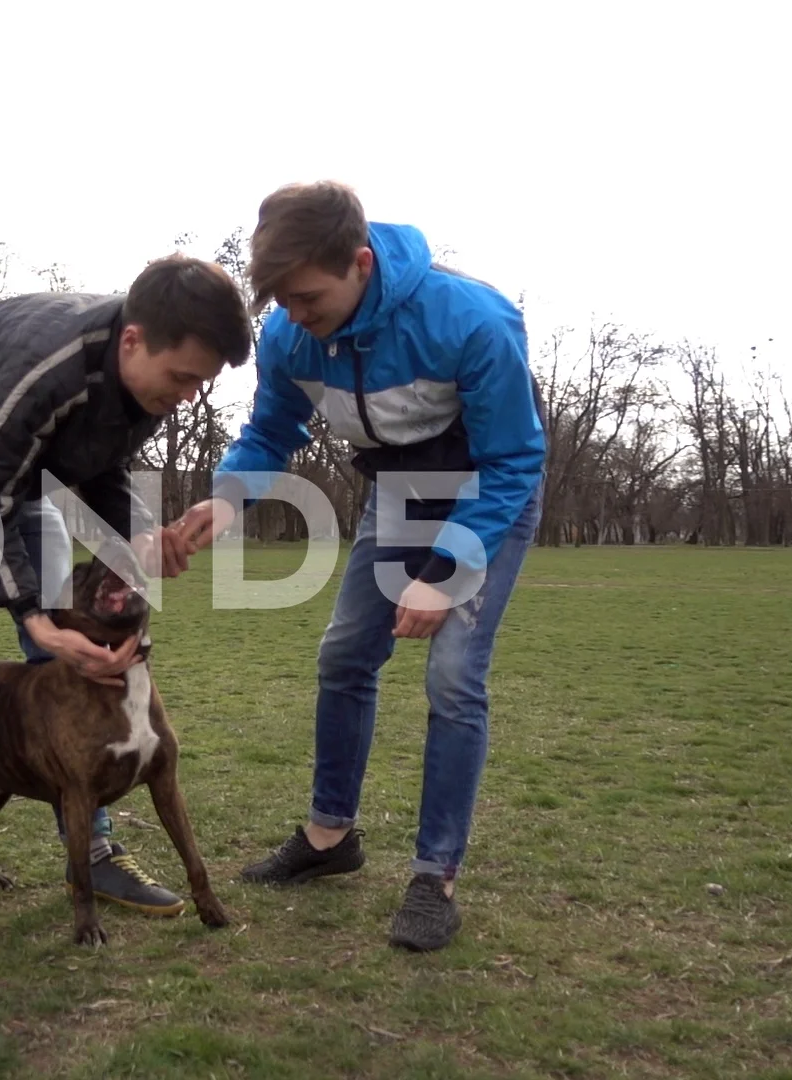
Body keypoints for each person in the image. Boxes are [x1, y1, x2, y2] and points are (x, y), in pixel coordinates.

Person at [176, 181, 546, 952]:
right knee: (346, 653)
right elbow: (271, 427)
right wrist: (230, 497)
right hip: (399, 492)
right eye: (280, 299)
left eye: (308, 296)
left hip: (488, 491)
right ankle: (328, 837)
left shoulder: (470, 320)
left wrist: (444, 573)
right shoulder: (289, 337)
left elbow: (514, 459)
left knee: (452, 676)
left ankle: (434, 877)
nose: (296, 316)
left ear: (361, 263)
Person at [0, 254, 252, 956]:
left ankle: (94, 852)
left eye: (200, 386)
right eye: (182, 379)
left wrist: (137, 540)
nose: (186, 397)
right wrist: (33, 616)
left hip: (14, 476)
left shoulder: (141, 389)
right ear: (133, 341)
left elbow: (99, 469)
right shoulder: (46, 368)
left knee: (60, 639)